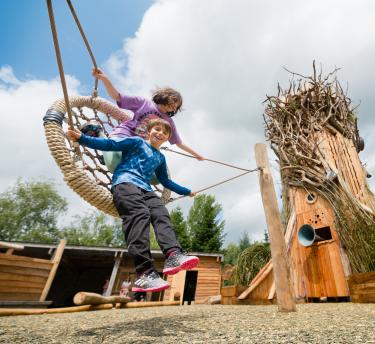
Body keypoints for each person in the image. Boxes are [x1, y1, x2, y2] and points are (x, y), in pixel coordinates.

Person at [67, 118, 199, 293]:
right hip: (125, 183)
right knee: (140, 215)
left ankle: (173, 254)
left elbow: (165, 180)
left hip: (145, 188)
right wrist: (83, 139)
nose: (160, 133)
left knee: (161, 214)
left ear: (167, 138)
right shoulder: (137, 142)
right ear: (149, 132)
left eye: (164, 132)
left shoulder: (160, 158)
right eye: (157, 129)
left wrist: (186, 191)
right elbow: (111, 144)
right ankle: (145, 272)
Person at [90, 68, 204, 172]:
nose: (174, 106)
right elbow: (117, 96)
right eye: (174, 101)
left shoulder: (168, 122)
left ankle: (106, 156)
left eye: (177, 106)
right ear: (165, 96)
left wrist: (196, 155)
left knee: (135, 167)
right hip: (125, 134)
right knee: (113, 159)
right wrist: (105, 79)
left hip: (138, 145)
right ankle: (98, 133)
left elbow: (178, 143)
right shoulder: (144, 103)